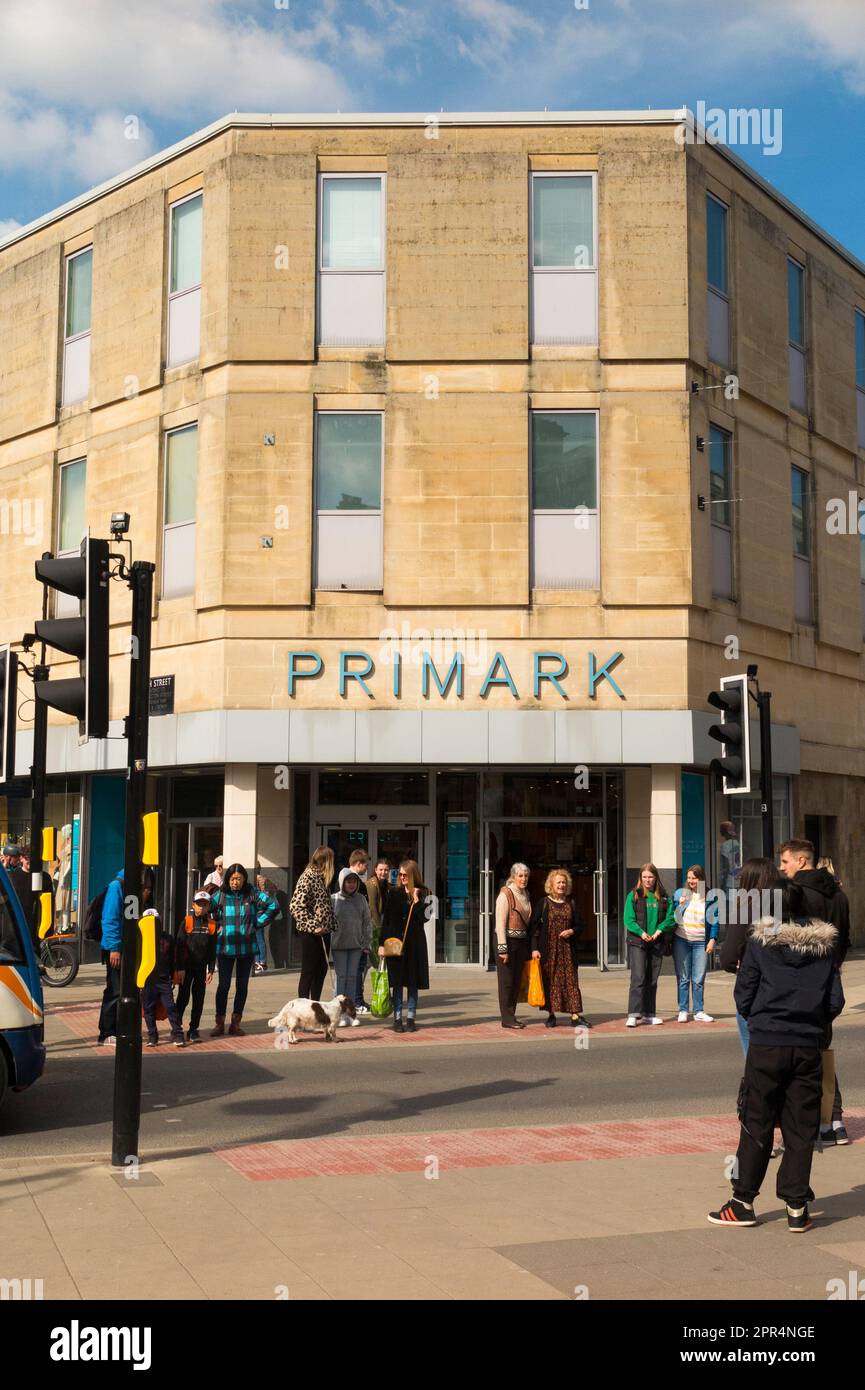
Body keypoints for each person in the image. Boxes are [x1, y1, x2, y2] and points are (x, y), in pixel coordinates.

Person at [708, 879, 844, 1232]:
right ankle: (796, 1207)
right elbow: (834, 1001)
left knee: (757, 1120)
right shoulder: (824, 948)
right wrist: (811, 1021)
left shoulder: (760, 944)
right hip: (807, 1044)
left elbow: (744, 995)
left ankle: (743, 1201)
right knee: (801, 1126)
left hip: (767, 1041)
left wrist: (762, 1019)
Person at [778, 839, 850, 1145]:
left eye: (785, 862)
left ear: (801, 862)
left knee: (801, 1058)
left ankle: (811, 1123)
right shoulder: (840, 895)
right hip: (830, 983)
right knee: (822, 1051)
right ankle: (833, 1120)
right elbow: (844, 939)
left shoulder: (796, 896)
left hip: (801, 987)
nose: (781, 868)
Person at [720, 857, 783, 1057]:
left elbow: (728, 958)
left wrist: (742, 967)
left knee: (754, 1056)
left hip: (754, 988)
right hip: (786, 987)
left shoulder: (745, 909)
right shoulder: (785, 908)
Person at [209, 863, 278, 1037]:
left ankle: (235, 1023)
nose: (235, 883)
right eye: (232, 879)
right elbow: (206, 909)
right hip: (225, 948)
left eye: (239, 879)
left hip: (246, 948)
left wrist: (256, 922)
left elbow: (273, 906)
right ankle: (219, 1023)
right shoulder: (221, 895)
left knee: (242, 986)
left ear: (244, 879)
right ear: (227, 879)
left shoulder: (252, 893)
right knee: (223, 986)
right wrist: (215, 924)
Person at [529, 868, 589, 1030]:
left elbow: (581, 925)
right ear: (551, 885)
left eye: (564, 882)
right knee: (550, 981)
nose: (561, 885)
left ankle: (575, 1015)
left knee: (571, 982)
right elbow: (534, 928)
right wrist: (534, 949)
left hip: (567, 951)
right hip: (549, 950)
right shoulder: (543, 903)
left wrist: (572, 931)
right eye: (558, 882)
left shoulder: (571, 903)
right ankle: (551, 1015)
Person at [378, 859, 429, 1032]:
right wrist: (381, 944)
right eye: (399, 874)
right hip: (395, 944)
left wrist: (417, 901)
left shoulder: (425, 893)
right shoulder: (394, 892)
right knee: (397, 982)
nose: (401, 877)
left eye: (404, 874)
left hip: (415, 944)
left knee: (413, 982)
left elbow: (425, 918)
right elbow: (387, 921)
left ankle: (411, 1018)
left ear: (413, 874)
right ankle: (397, 1018)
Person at [624, 863, 676, 1027]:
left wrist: (659, 931)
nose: (647, 880)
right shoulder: (634, 896)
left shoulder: (664, 896)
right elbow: (628, 919)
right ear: (640, 878)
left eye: (650, 877)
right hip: (638, 942)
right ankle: (633, 1014)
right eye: (644, 877)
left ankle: (649, 1014)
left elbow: (671, 918)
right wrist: (641, 933)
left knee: (652, 979)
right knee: (638, 977)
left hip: (656, 942)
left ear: (656, 878)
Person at [671, 865, 717, 1022]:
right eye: (689, 877)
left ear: (701, 879)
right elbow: (674, 918)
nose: (691, 881)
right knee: (683, 977)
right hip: (682, 940)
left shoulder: (711, 896)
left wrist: (712, 939)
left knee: (698, 978)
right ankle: (683, 1010)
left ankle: (699, 1011)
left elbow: (715, 920)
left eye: (694, 878)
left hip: (700, 943)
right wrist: (680, 905)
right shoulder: (680, 894)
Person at [290, 847, 336, 1001]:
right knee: (309, 971)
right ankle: (303, 1006)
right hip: (311, 933)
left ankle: (315, 1004)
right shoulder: (308, 877)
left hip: (324, 931)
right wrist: (313, 925)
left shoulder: (322, 878)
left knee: (321, 970)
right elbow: (295, 906)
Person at [174, 890, 217, 1044]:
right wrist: (179, 968)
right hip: (186, 968)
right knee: (183, 998)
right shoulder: (186, 922)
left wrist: (211, 969)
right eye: (199, 904)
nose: (201, 908)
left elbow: (212, 949)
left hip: (201, 968)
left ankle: (193, 1030)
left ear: (208, 907)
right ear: (193, 905)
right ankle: (176, 1028)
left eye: (205, 905)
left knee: (199, 1000)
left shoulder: (212, 924)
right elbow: (179, 946)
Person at [331, 869, 371, 1028]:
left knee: (353, 979)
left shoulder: (361, 899)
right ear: (342, 882)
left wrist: (367, 942)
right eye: (348, 881)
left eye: (354, 882)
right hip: (339, 946)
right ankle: (338, 1014)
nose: (351, 884)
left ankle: (350, 1014)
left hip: (356, 946)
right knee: (340, 979)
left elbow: (367, 922)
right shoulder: (333, 899)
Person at [495, 862, 532, 1029]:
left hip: (521, 942)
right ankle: (507, 1018)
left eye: (525, 876)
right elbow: (500, 923)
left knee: (516, 981)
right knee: (506, 982)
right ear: (513, 877)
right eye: (520, 876)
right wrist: (503, 948)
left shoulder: (526, 894)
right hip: (507, 942)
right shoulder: (505, 894)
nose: (523, 879)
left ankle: (512, 1015)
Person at [141, 908, 185, 1047]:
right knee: (148, 1008)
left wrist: (174, 974)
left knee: (170, 1006)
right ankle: (152, 1035)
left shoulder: (167, 938)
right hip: (147, 978)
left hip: (163, 978)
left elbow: (173, 958)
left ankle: (178, 1034)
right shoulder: (140, 938)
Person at [97, 868, 124, 1045]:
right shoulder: (117, 887)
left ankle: (115, 1028)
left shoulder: (126, 886)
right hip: (114, 948)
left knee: (120, 989)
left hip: (122, 946)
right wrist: (114, 948)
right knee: (114, 989)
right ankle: (106, 1032)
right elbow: (110, 918)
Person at [360, 858, 390, 1012]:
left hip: (380, 927)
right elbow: (372, 909)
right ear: (375, 870)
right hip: (373, 929)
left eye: (386, 870)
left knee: (377, 963)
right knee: (368, 963)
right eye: (381, 869)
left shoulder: (385, 885)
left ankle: (379, 995)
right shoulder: (372, 885)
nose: (383, 872)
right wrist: (379, 931)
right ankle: (358, 998)